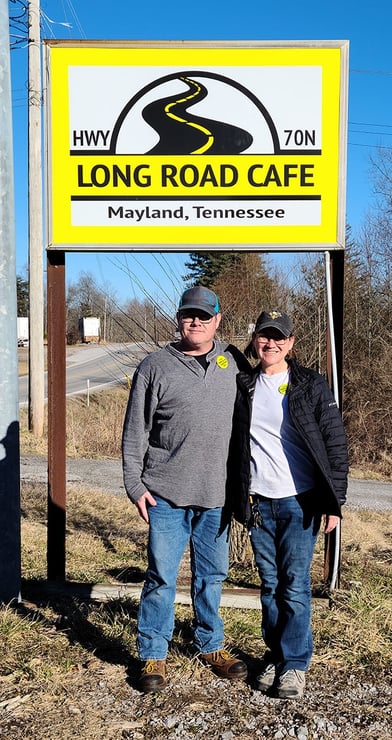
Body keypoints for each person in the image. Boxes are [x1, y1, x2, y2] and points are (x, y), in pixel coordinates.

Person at [122, 285, 249, 693]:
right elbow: (135, 432)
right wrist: (133, 484)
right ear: (178, 318)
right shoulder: (154, 366)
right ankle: (153, 653)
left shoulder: (233, 361)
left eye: (204, 316)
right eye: (188, 314)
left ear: (217, 320)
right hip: (165, 495)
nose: (195, 321)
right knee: (161, 577)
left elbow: (271, 388)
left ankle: (210, 645)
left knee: (211, 576)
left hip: (217, 496)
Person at [229, 309, 348, 699]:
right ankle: (276, 657)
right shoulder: (243, 384)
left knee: (294, 586)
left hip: (300, 503)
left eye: (279, 337)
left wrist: (335, 502)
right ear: (255, 340)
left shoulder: (310, 384)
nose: (271, 343)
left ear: (291, 343)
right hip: (259, 502)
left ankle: (295, 665)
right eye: (264, 336)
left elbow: (335, 444)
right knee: (270, 586)